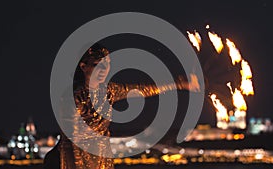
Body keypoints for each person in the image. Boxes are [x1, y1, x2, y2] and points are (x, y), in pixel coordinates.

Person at [44, 43, 200, 169]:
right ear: (83, 66)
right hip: (74, 156)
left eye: (107, 64)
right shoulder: (72, 96)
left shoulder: (109, 91)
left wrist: (178, 84)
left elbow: (142, 89)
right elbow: (72, 137)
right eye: (97, 65)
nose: (103, 70)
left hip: (100, 154)